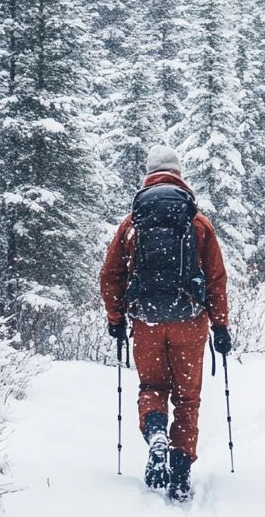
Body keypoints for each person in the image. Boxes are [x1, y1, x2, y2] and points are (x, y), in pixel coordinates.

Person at [99, 144, 232, 502]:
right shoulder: (197, 222)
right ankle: (181, 471)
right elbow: (216, 279)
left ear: (148, 176)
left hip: (146, 322)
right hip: (190, 322)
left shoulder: (133, 222)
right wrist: (220, 326)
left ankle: (156, 432)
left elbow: (110, 275)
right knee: (188, 399)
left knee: (152, 387)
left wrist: (116, 318)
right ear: (179, 174)